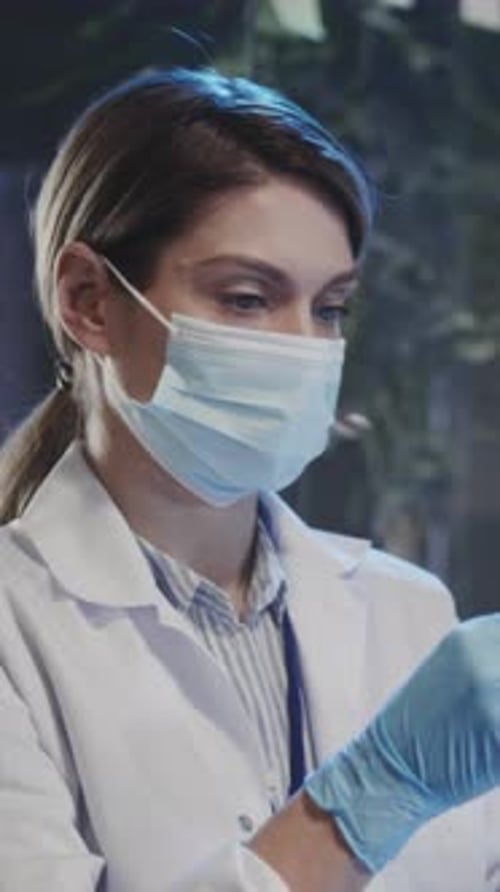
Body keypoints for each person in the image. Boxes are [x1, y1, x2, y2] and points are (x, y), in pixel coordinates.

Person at [0, 66, 498, 892]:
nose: (303, 348)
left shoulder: (411, 613)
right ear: (89, 300)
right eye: (245, 298)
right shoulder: (15, 629)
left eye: (329, 307)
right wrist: (366, 799)